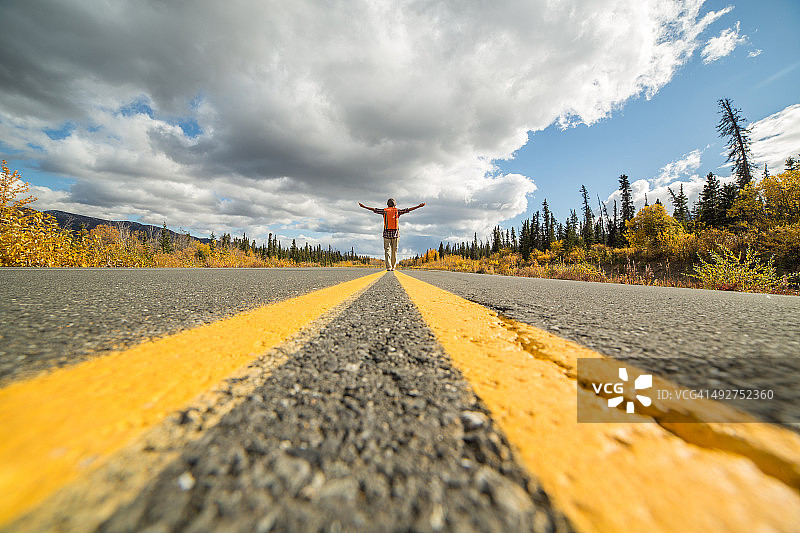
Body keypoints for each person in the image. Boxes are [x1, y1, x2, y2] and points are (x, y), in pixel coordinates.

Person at [358, 198, 425, 271]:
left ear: (387, 204)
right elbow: (408, 210)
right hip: (396, 234)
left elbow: (374, 209)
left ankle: (388, 267)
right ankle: (393, 267)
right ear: (395, 204)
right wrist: (418, 206)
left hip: (386, 234)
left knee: (387, 251)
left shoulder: (384, 211)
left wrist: (364, 206)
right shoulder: (397, 211)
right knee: (394, 251)